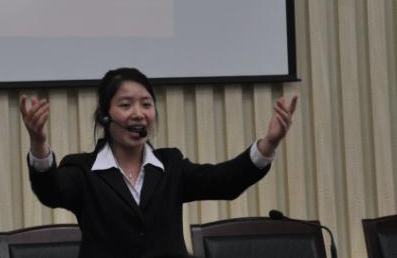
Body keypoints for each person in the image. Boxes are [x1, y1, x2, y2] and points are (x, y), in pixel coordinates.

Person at [20, 67, 297, 258]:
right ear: (104, 116)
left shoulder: (170, 165)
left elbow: (224, 182)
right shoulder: (83, 170)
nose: (138, 114)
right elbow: (51, 191)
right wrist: (38, 142)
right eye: (125, 105)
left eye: (146, 104)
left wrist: (268, 144)